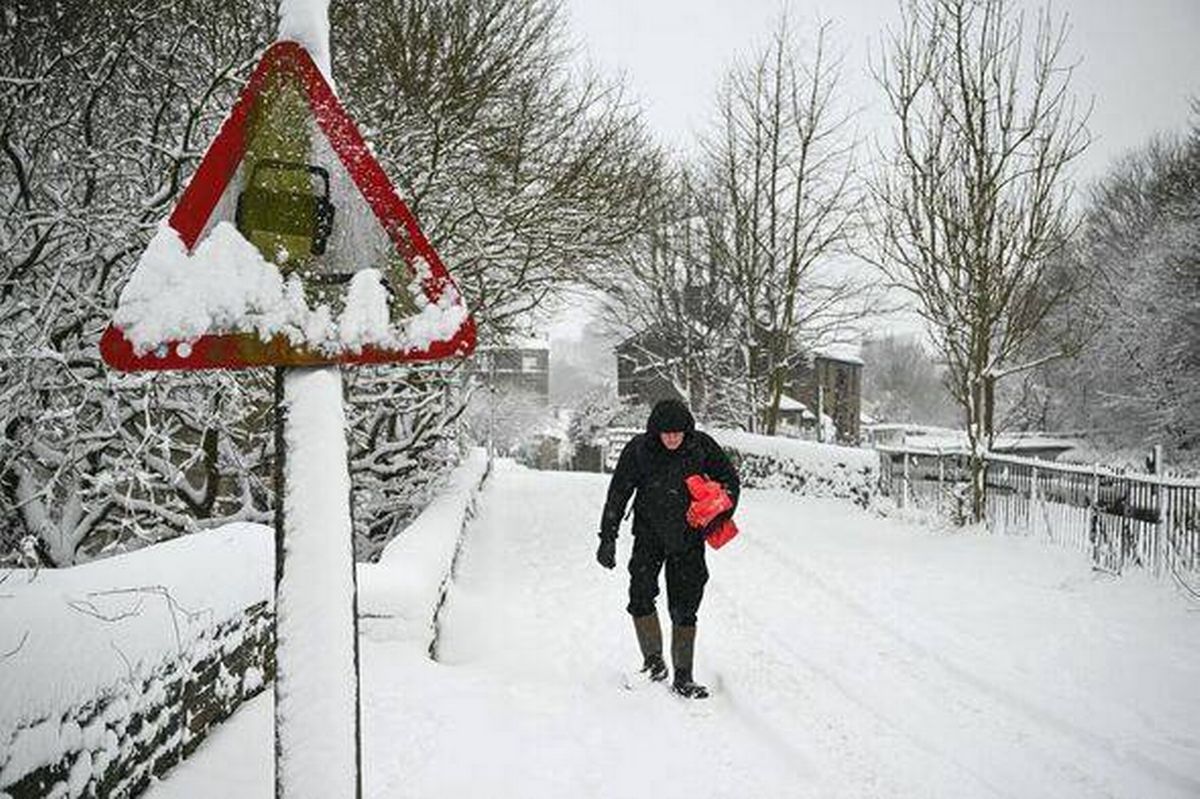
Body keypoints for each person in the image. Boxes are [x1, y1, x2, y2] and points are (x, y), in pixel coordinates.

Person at [596, 398, 739, 699]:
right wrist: (607, 537)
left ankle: (684, 676)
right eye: (666, 432)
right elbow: (619, 492)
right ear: (655, 432)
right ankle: (653, 662)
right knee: (640, 595)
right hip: (648, 536)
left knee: (685, 606)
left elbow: (730, 482)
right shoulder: (639, 451)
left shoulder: (702, 447)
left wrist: (720, 512)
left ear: (687, 431)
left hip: (688, 540)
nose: (673, 438)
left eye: (678, 432)